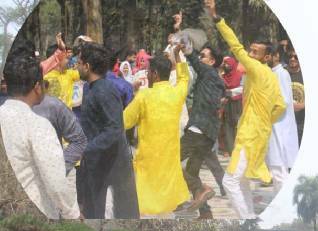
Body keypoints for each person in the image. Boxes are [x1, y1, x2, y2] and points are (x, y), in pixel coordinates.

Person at [205, 0, 286, 219]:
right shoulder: (270, 76)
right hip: (260, 132)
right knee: (241, 181)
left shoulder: (257, 69)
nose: (249, 54)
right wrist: (265, 119)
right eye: (250, 50)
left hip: (250, 134)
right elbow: (281, 105)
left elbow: (235, 46)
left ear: (266, 57)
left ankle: (247, 218)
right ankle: (249, 214)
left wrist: (217, 18)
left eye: (255, 52)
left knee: (229, 181)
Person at [0, 56, 81, 218]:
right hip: (33, 213)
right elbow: (55, 183)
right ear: (37, 87)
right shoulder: (38, 125)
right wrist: (72, 213)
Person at [123, 45, 190, 217]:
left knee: (145, 211)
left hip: (148, 165)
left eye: (148, 72)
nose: (146, 75)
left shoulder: (144, 96)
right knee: (167, 211)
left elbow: (124, 122)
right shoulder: (177, 94)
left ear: (155, 74)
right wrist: (177, 56)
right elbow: (184, 78)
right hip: (169, 165)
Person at [76, 42, 139, 219]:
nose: (77, 65)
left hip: (114, 164)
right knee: (92, 211)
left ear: (87, 67)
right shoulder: (90, 87)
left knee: (121, 214)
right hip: (96, 160)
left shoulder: (105, 91)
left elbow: (114, 129)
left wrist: (87, 148)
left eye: (79, 62)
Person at [172, 12, 226, 218]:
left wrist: (179, 29)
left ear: (211, 62)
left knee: (172, 161)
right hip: (209, 133)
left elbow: (188, 50)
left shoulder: (206, 72)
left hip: (197, 129)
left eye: (204, 56)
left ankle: (202, 189)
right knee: (192, 172)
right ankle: (205, 212)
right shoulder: (218, 81)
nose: (200, 58)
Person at [258, 46, 300, 228]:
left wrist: (266, 115)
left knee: (278, 170)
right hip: (274, 125)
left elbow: (282, 102)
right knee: (276, 169)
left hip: (278, 127)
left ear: (274, 55)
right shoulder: (271, 72)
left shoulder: (281, 74)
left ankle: (283, 209)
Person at [220, 56, 243, 157]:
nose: (225, 65)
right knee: (227, 126)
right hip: (227, 103)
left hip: (238, 103)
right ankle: (230, 150)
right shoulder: (223, 76)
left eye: (227, 63)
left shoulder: (239, 74)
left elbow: (243, 88)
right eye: (224, 63)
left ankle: (240, 149)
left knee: (238, 125)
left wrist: (229, 92)